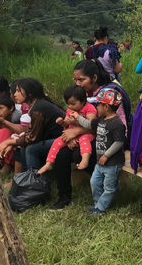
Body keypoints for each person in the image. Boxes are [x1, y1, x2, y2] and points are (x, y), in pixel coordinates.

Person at [50, 60, 132, 210]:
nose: (77, 84)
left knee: (78, 155)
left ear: (94, 78)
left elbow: (111, 127)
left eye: (81, 80)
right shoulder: (82, 97)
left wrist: (77, 132)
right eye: (75, 80)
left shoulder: (107, 95)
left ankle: (108, 184)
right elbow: (79, 121)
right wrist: (71, 135)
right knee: (62, 155)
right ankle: (64, 197)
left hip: (111, 138)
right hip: (90, 135)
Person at [72, 89, 126, 215]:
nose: (96, 108)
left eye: (98, 105)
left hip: (112, 163)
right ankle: (98, 202)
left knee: (109, 187)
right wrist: (77, 117)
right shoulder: (101, 119)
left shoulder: (117, 124)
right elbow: (88, 124)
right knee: (94, 182)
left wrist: (106, 155)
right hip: (100, 162)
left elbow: (119, 142)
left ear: (106, 106)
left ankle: (101, 208)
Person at [0, 78, 65, 172]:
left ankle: (35, 181)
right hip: (51, 138)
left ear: (29, 93)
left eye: (18, 91)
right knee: (24, 145)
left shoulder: (38, 108)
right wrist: (13, 141)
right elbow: (31, 132)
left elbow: (32, 138)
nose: (15, 94)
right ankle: (25, 177)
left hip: (63, 139)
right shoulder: (37, 104)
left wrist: (8, 142)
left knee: (31, 149)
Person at [38, 85, 97, 174]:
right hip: (73, 135)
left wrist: (76, 122)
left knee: (84, 140)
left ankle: (85, 160)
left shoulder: (89, 108)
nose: (69, 106)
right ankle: (49, 163)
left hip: (86, 133)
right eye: (67, 104)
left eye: (73, 104)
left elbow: (91, 125)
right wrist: (62, 122)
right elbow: (67, 125)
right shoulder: (70, 110)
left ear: (83, 101)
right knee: (57, 141)